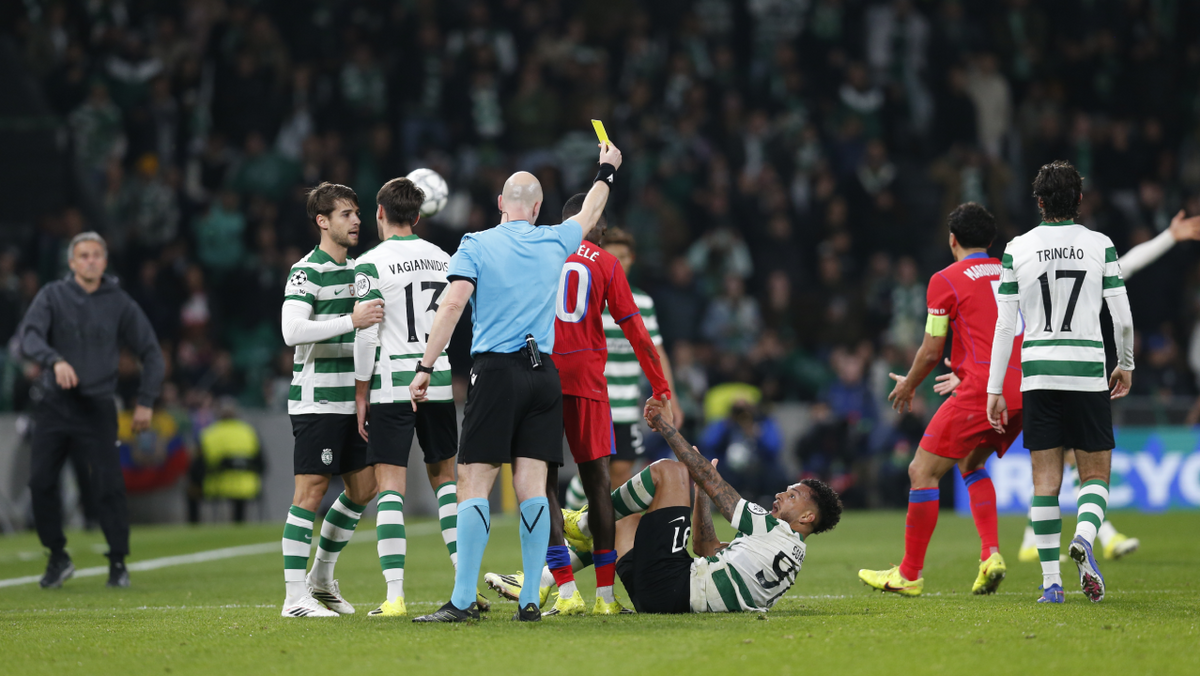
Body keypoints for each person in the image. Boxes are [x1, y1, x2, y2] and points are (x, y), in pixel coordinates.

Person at [410, 143, 623, 622]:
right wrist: (607, 170)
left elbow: (452, 304)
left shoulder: (476, 243)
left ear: (501, 204)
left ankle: (462, 601)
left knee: (473, 481)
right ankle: (529, 597)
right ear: (539, 207)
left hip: (497, 372)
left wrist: (425, 365)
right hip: (544, 376)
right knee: (532, 486)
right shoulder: (555, 241)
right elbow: (591, 210)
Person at [484, 196, 672, 617]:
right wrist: (661, 389)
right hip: (588, 383)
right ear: (595, 226)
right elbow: (637, 332)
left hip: (541, 378)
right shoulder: (606, 262)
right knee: (598, 485)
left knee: (544, 485)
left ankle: (567, 591)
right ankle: (605, 597)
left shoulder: (538, 251)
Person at [1012, 207, 1200, 562]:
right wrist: (1168, 237)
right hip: (1073, 372)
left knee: (1058, 461)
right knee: (1075, 463)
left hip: (1033, 373)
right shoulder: (1090, 259)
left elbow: (1001, 323)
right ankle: (1099, 536)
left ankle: (1036, 539)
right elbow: (1129, 266)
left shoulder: (1025, 264)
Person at [987, 160, 1135, 604]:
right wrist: (1125, 362)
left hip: (1038, 376)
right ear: (1080, 200)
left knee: (1045, 482)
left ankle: (1052, 583)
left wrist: (995, 388)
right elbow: (1122, 319)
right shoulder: (1100, 245)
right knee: (1095, 474)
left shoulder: (1016, 249)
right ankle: (1085, 538)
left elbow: (1004, 326)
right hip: (1086, 372)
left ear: (1039, 202)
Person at [858, 203, 1023, 597]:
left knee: (921, 471)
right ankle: (990, 555)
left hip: (983, 391)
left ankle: (909, 573)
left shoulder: (945, 279)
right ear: (990, 241)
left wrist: (909, 384)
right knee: (971, 462)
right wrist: (967, 369)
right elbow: (1003, 332)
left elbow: (932, 350)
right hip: (1022, 390)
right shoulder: (1011, 272)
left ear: (952, 240)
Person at [549, 402, 841, 614]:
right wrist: (701, 494)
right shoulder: (791, 557)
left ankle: (583, 523)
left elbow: (711, 479)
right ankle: (552, 578)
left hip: (670, 585)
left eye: (792, 496)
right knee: (626, 518)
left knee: (670, 471)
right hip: (657, 599)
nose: (780, 494)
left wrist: (666, 426)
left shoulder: (771, 528)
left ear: (807, 517)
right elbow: (705, 548)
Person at [351, 176, 485, 616]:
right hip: (437, 379)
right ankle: (465, 588)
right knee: (445, 480)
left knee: (390, 486)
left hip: (391, 383)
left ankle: (394, 596)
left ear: (380, 212)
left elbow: (366, 335)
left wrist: (361, 391)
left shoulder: (369, 264)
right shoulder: (443, 258)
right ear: (418, 216)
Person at [19, 231, 165, 589]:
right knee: (40, 482)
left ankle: (117, 562)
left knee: (109, 486)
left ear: (104, 261)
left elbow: (151, 352)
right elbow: (29, 336)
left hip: (98, 406)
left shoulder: (119, 302)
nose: (90, 261)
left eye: (96, 255)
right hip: (54, 404)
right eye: (83, 255)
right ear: (71, 262)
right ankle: (57, 555)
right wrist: (54, 360)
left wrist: (146, 401)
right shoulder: (52, 295)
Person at [278, 182, 386, 618]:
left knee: (364, 489)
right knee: (310, 492)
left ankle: (320, 579)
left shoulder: (360, 270)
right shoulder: (306, 271)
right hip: (317, 400)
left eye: (357, 213)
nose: (356, 220)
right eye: (345, 214)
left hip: (353, 403)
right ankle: (293, 598)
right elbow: (291, 332)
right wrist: (350, 320)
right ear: (322, 221)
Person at [562, 227, 680, 506]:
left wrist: (669, 398)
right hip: (594, 398)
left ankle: (598, 526)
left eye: (623, 256)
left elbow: (656, 351)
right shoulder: (587, 297)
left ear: (631, 259)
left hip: (627, 403)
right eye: (612, 255)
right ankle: (572, 513)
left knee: (622, 470)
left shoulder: (643, 302)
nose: (618, 261)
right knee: (595, 468)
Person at [194, 397, 263, 523]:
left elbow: (199, 467)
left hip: (218, 484)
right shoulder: (249, 432)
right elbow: (262, 464)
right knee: (240, 494)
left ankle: (197, 523)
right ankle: (240, 524)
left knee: (192, 489)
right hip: (247, 485)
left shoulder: (209, 434)